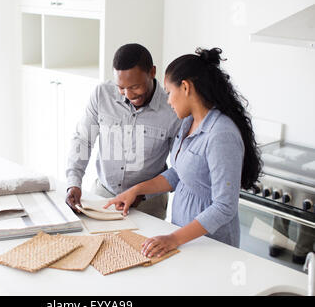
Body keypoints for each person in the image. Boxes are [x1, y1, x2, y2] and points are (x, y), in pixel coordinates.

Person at [104, 47, 262, 257]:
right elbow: (178, 173)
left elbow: (225, 206)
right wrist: (136, 190)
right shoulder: (188, 122)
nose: (168, 101)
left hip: (212, 245)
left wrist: (173, 238)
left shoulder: (221, 134)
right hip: (183, 237)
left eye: (169, 93)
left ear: (185, 87)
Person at [65, 43, 182, 220]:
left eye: (135, 87)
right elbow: (83, 139)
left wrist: (141, 194)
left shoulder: (173, 109)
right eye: (121, 87)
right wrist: (74, 182)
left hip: (148, 206)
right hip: (103, 197)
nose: (128, 94)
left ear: (152, 72)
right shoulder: (101, 94)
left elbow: (180, 167)